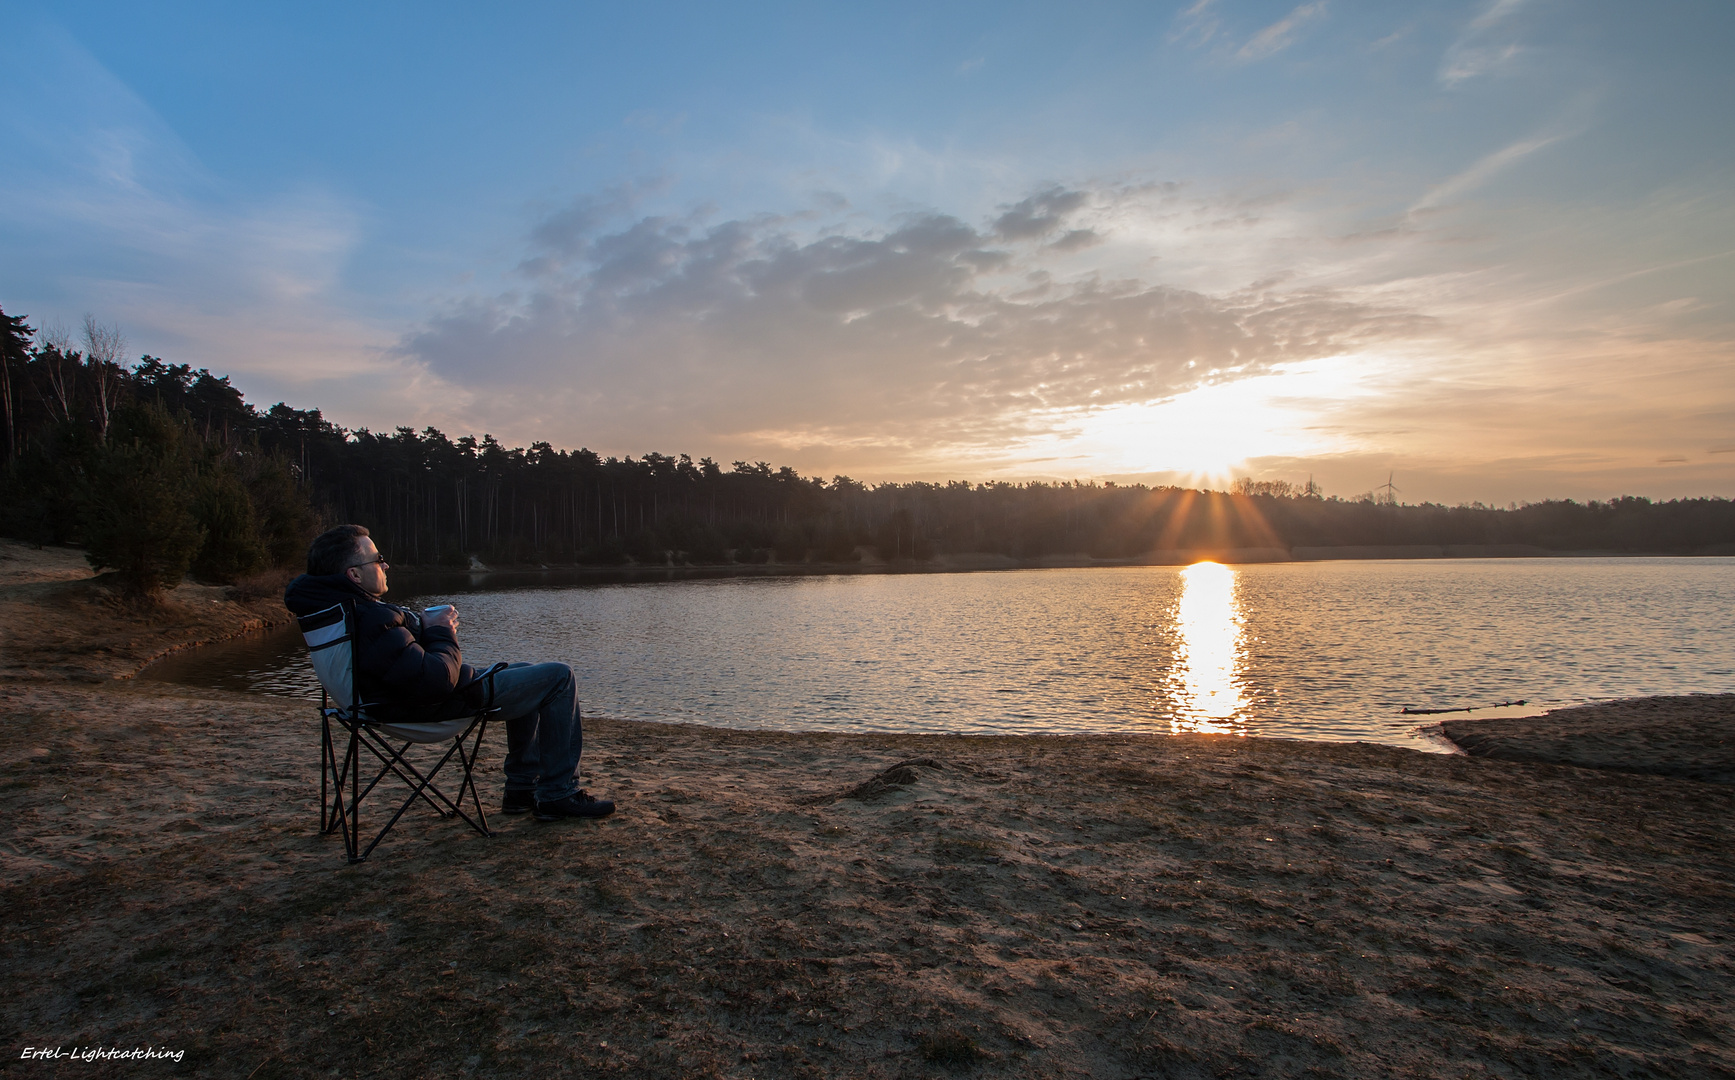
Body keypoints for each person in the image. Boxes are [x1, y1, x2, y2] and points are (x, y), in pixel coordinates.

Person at [283, 524, 614, 820]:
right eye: (377, 559)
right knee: (558, 676)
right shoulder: (369, 617)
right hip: (429, 705)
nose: (385, 565)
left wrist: (418, 625)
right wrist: (442, 630)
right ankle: (558, 794)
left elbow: (401, 661)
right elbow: (437, 680)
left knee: (529, 672)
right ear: (354, 575)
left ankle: (522, 790)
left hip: (382, 705)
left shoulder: (339, 610)